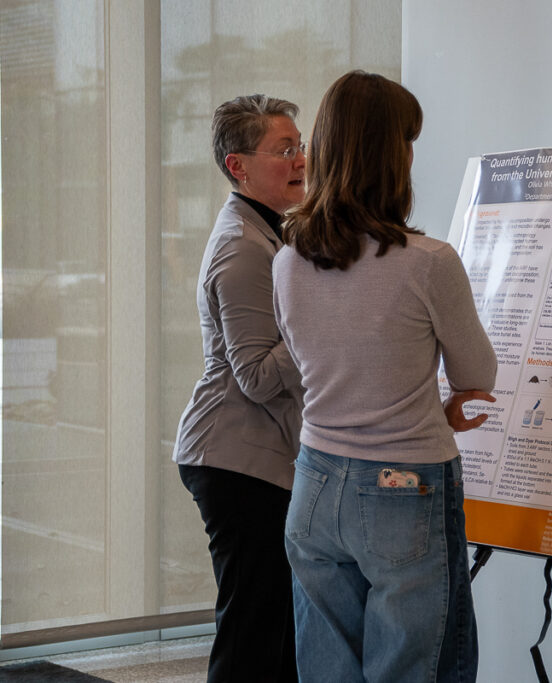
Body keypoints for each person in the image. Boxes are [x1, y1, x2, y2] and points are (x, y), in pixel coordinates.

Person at [272, 71, 497, 683]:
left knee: (328, 669)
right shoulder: (429, 263)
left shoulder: (289, 259)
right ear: (391, 155)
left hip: (315, 480)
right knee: (418, 669)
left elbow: (313, 360)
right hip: (406, 486)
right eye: (408, 140)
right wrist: (441, 402)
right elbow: (477, 373)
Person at [172, 94, 306, 682]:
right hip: (234, 457)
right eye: (283, 150)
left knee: (279, 630)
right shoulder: (243, 249)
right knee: (253, 631)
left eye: (300, 146)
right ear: (238, 167)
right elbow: (254, 376)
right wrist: (319, 322)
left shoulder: (273, 232)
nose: (301, 159)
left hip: (258, 456)